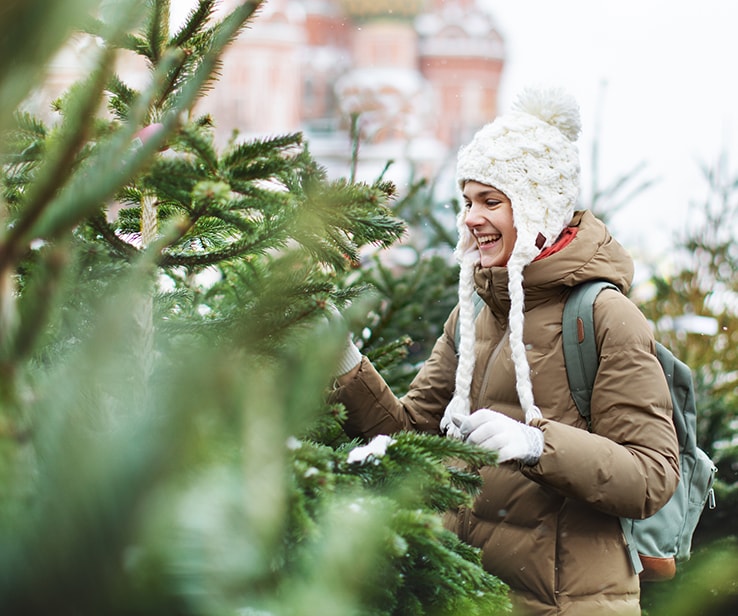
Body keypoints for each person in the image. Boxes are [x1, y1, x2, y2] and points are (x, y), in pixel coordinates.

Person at [331, 86, 680, 616]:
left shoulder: (605, 317)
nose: (471, 217)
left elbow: (651, 476)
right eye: (468, 201)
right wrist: (345, 363)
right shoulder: (473, 312)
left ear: (538, 207)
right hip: (470, 599)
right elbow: (407, 438)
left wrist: (538, 445)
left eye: (491, 201)